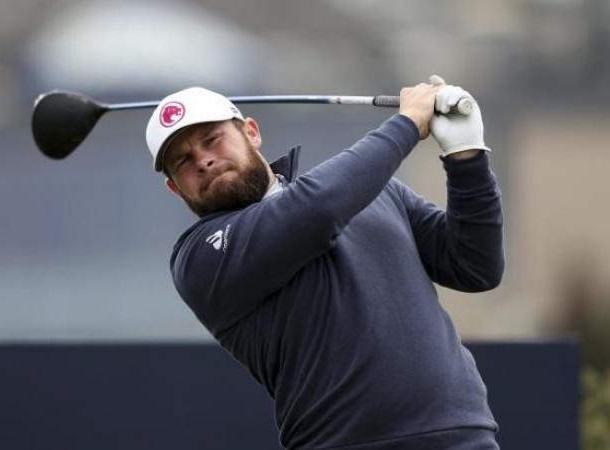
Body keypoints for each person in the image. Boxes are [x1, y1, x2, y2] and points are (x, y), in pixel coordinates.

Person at [145, 76, 504, 450]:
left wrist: (467, 156)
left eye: (212, 140)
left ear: (251, 132)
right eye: (183, 161)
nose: (203, 160)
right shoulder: (199, 257)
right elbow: (315, 211)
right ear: (175, 188)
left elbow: (475, 266)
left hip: (466, 438)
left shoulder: (374, 191)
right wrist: (408, 122)